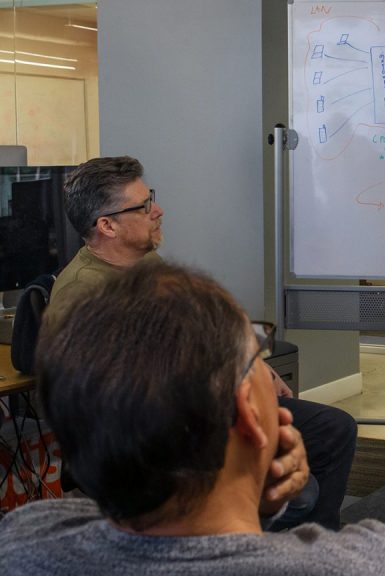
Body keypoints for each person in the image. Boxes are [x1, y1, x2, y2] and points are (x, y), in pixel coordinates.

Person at [0, 262, 385, 575]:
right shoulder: (380, 561)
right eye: (258, 353)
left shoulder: (24, 540)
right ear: (248, 408)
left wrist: (254, 505)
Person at [48, 156, 357, 531]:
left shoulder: (147, 264)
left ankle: (315, 555)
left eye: (152, 199)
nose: (158, 211)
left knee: (334, 429)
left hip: (203, 409)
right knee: (298, 494)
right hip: (161, 438)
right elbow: (112, 402)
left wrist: (255, 365)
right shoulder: (82, 294)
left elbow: (207, 329)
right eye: (144, 206)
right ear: (107, 225)